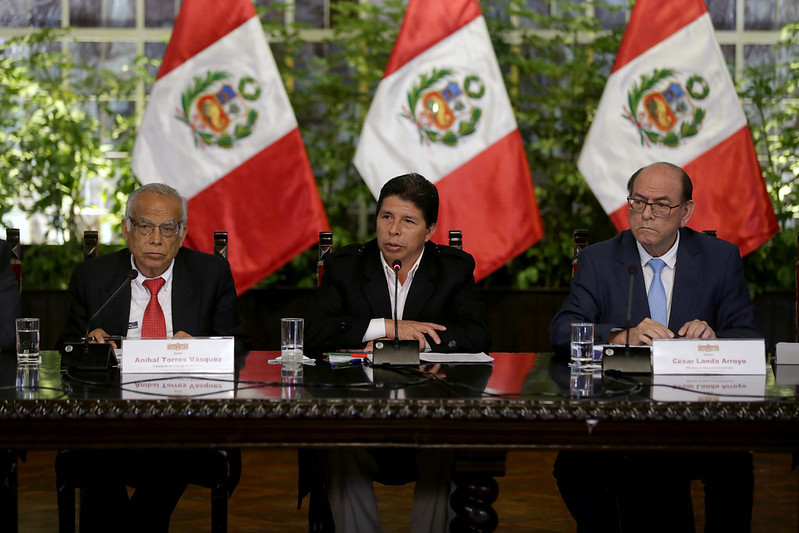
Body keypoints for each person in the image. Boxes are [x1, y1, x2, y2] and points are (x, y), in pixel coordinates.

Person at [550, 162, 760, 532]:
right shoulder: (599, 260)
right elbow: (562, 332)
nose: (647, 213)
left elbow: (747, 338)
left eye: (661, 205)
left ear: (686, 212)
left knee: (735, 461)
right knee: (573, 464)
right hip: (621, 416)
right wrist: (618, 336)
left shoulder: (719, 258)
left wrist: (712, 339)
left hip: (700, 416)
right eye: (638, 201)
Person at [305, 172, 491, 533]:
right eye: (386, 217)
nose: (393, 230)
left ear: (430, 229)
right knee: (342, 447)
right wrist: (388, 327)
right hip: (359, 414)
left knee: (445, 449)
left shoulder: (453, 268)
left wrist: (419, 340)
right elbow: (313, 332)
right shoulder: (346, 266)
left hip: (429, 413)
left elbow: (478, 333)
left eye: (408, 221)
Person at [60, 182, 249, 533]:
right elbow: (67, 348)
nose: (156, 239)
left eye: (168, 228)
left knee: (171, 449)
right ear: (126, 229)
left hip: (182, 417)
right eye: (145, 226)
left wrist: (197, 348)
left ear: (183, 234)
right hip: (110, 418)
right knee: (97, 456)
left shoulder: (210, 274)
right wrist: (89, 344)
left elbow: (237, 346)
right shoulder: (93, 277)